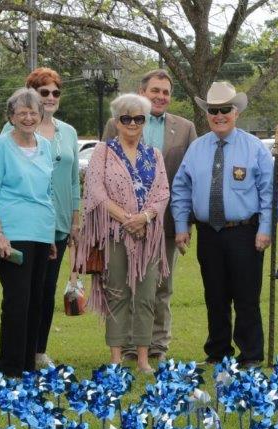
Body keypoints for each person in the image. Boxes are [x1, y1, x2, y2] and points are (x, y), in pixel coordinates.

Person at [171, 81, 273, 368]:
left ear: (236, 112)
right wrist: (181, 225)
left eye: (224, 110)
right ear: (207, 114)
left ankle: (251, 354)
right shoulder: (196, 149)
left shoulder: (255, 149)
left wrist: (265, 229)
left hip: (245, 232)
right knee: (214, 295)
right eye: (213, 111)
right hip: (208, 233)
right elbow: (181, 189)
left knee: (246, 297)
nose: (219, 116)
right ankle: (218, 352)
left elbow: (270, 193)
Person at [103, 69, 197, 362]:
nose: (161, 96)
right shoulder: (116, 122)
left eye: (166, 92)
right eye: (155, 90)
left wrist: (185, 224)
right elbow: (105, 170)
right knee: (124, 284)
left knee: (160, 287)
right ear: (142, 92)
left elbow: (190, 179)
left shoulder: (185, 128)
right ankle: (129, 345)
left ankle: (157, 345)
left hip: (165, 222)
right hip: (122, 222)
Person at [79, 93, 170, 373]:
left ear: (145, 122)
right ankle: (116, 357)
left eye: (138, 118)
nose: (132, 123)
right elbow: (95, 192)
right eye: (126, 118)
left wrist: (144, 218)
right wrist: (126, 218)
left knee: (146, 297)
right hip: (114, 235)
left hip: (147, 236)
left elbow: (162, 192)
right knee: (116, 293)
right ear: (116, 121)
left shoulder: (153, 155)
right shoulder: (103, 152)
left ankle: (143, 359)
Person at [11, 68, 81, 368]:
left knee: (46, 290)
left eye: (55, 92)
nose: (50, 97)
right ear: (30, 95)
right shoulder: (14, 131)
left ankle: (39, 351)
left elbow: (75, 179)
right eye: (44, 92)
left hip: (60, 224)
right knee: (22, 292)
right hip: (25, 224)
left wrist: (76, 218)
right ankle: (18, 352)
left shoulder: (69, 132)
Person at [0, 88, 56, 377]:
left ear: (41, 115)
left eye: (33, 111)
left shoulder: (46, 146)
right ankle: (9, 367)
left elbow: (48, 192)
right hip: (12, 233)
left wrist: (50, 236)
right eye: (22, 112)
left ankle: (28, 366)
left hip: (41, 231)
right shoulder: (2, 145)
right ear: (11, 117)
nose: (28, 117)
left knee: (36, 300)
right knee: (17, 300)